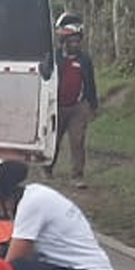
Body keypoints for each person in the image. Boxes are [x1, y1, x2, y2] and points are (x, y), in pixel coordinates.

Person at [45, 13, 99, 188]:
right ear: (63, 41)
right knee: (54, 141)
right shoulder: (54, 58)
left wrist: (92, 106)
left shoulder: (84, 60)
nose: (75, 44)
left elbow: (90, 82)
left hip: (78, 107)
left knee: (77, 141)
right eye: (71, 41)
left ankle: (77, 176)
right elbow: (45, 78)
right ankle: (48, 168)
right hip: (57, 107)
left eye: (77, 41)